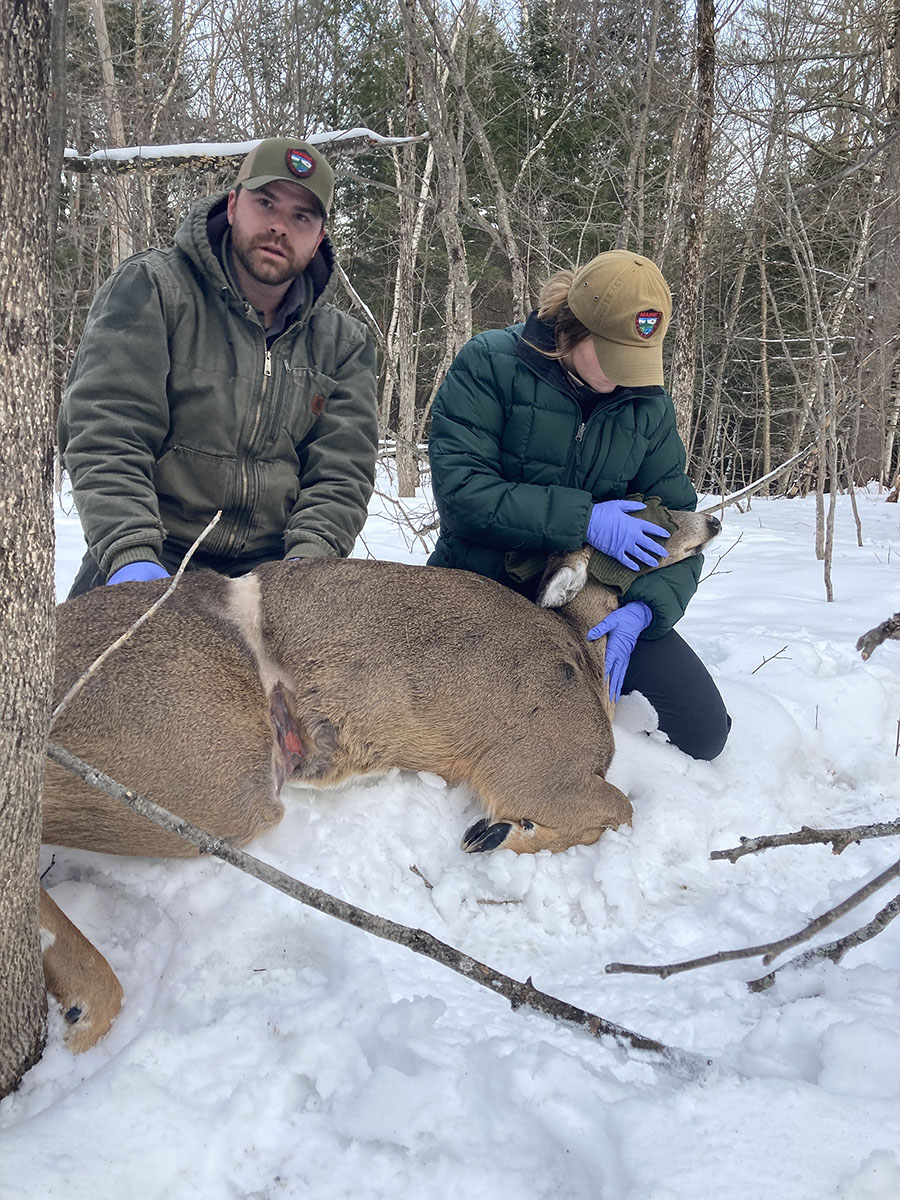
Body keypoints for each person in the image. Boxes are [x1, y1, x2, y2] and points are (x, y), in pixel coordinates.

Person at [427, 249, 730, 760]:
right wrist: (585, 520)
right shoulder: (491, 363)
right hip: (483, 582)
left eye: (635, 361)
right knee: (478, 723)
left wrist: (644, 608)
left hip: (594, 601)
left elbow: (675, 516)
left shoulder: (647, 402)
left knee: (702, 732)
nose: (622, 376)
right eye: (612, 357)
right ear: (572, 328)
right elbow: (463, 495)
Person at [59, 136, 378, 597]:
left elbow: (341, 472)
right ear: (232, 205)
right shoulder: (154, 289)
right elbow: (107, 430)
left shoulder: (343, 343)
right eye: (265, 203)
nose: (279, 227)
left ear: (319, 238)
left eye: (301, 216)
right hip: (153, 551)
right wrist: (130, 555)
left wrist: (308, 565)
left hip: (273, 569)